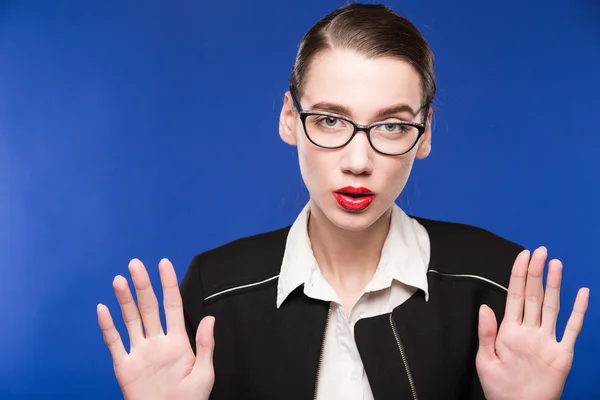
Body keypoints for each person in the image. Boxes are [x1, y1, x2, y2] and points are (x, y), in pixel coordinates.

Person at [96, 3, 590, 399]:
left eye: (392, 125)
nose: (358, 160)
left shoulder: (498, 282)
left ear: (425, 134)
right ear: (290, 118)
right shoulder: (215, 289)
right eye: (331, 120)